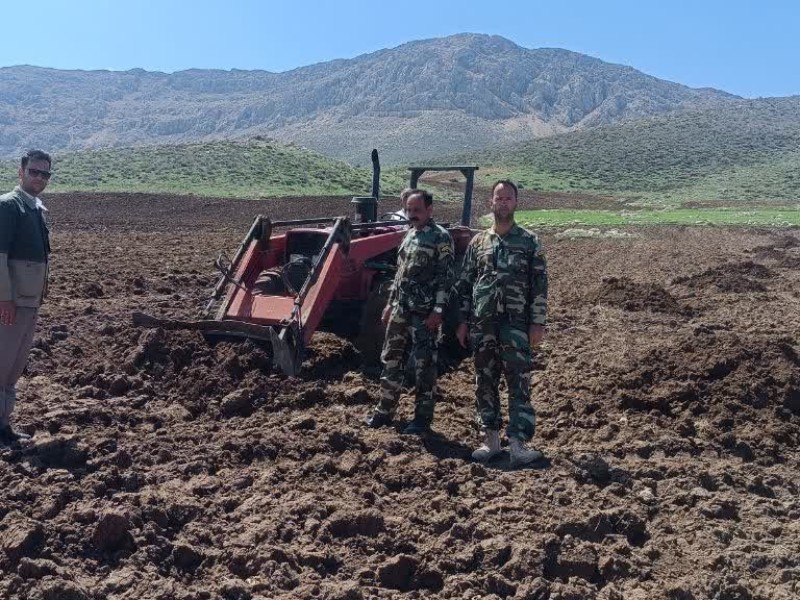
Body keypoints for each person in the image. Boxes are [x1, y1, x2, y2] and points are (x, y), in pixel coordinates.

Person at [455, 179, 548, 467]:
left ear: (516, 203)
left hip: (517, 326)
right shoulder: (479, 242)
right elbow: (465, 283)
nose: (503, 203)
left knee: (518, 382)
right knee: (485, 381)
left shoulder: (529, 241)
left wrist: (538, 323)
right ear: (491, 203)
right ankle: (491, 439)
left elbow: (539, 284)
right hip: (483, 325)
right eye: (499, 198)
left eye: (509, 198)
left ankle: (519, 444)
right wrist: (462, 321)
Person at [366, 189, 454, 434]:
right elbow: (399, 274)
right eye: (409, 210)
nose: (412, 214)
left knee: (424, 366)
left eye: (417, 210)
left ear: (429, 210)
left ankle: (422, 419)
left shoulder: (441, 238)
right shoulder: (408, 236)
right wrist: (389, 303)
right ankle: (384, 411)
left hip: (424, 313)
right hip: (401, 309)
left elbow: (445, 278)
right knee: (390, 359)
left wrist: (438, 310)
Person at [0, 149, 53, 444]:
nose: (39, 178)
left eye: (44, 174)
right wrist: (3, 299)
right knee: (1, 364)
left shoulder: (33, 208)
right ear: (21, 172)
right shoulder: (9, 207)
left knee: (12, 368)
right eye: (34, 171)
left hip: (28, 302)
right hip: (12, 303)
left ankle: (3, 425)